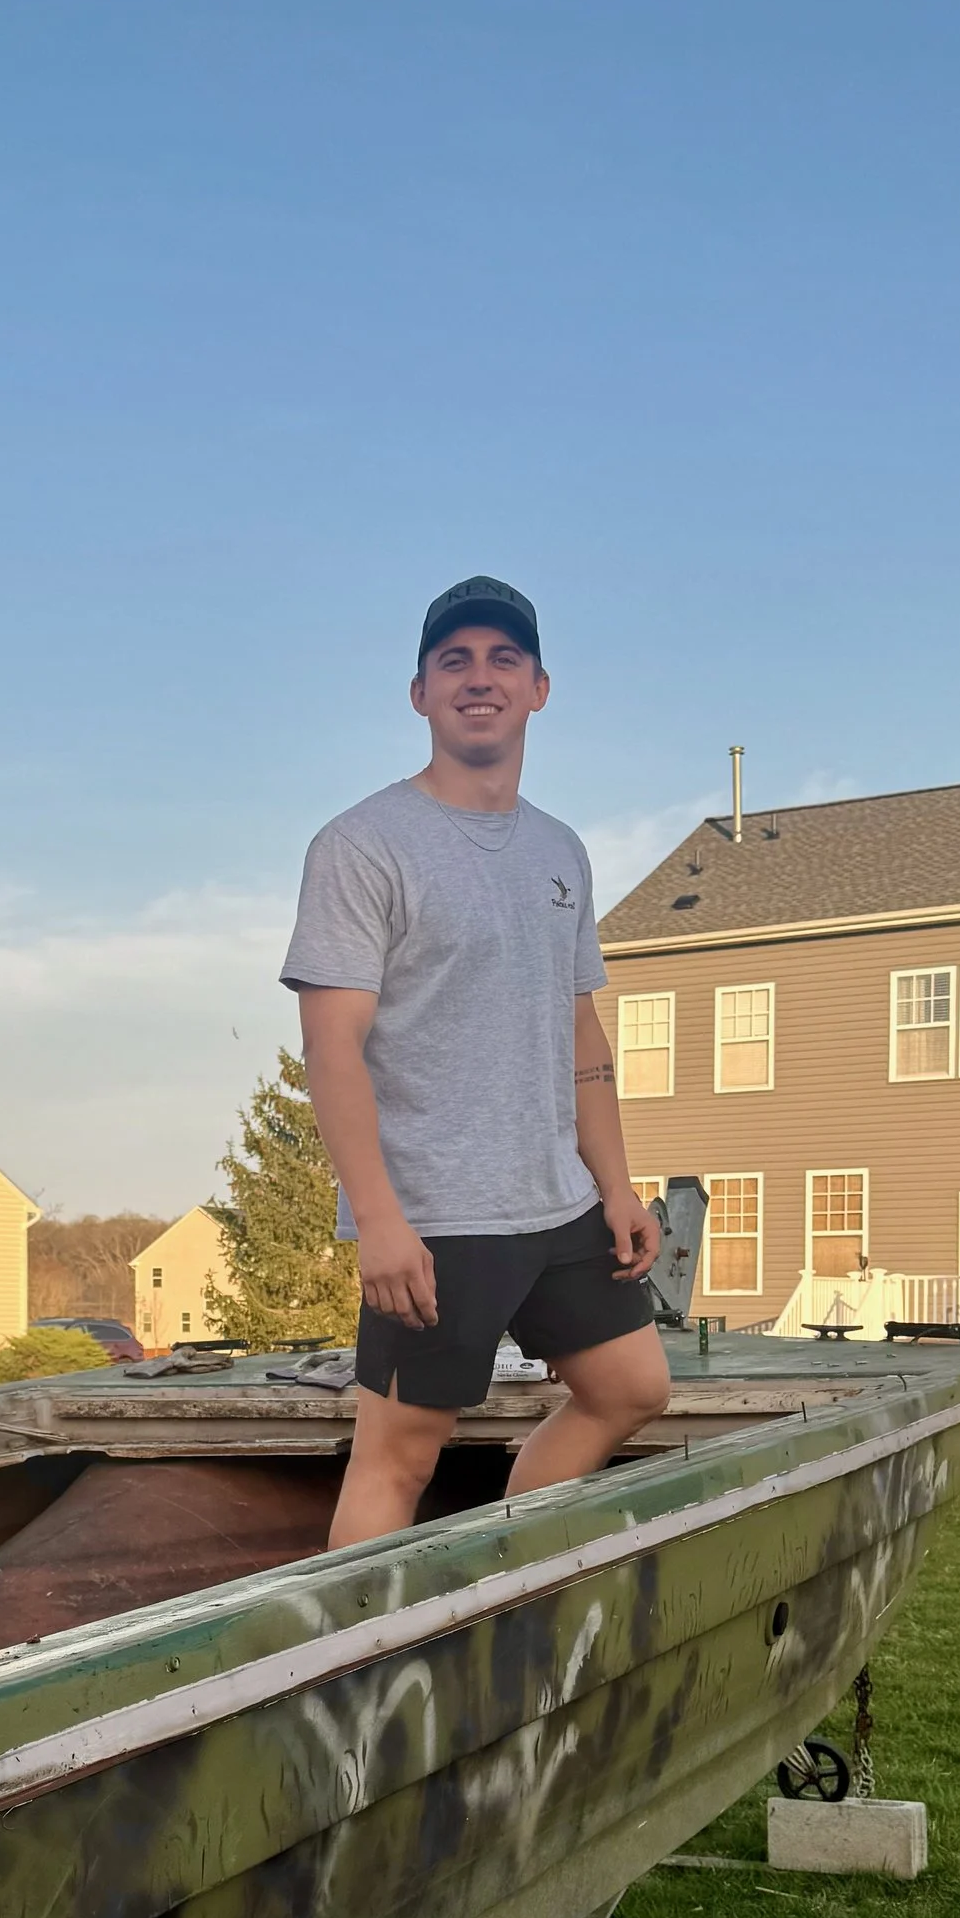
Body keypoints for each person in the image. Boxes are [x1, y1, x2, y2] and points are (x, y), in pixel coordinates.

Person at [282, 575, 670, 1547]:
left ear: (539, 687)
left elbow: (579, 1032)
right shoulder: (362, 845)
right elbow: (331, 1048)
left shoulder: (559, 852)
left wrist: (615, 1186)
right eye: (453, 661)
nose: (479, 678)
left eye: (503, 659)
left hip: (556, 1200)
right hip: (438, 1215)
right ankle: (356, 1680)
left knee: (630, 1389)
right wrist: (378, 1223)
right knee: (397, 1457)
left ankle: (504, 1567)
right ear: (420, 694)